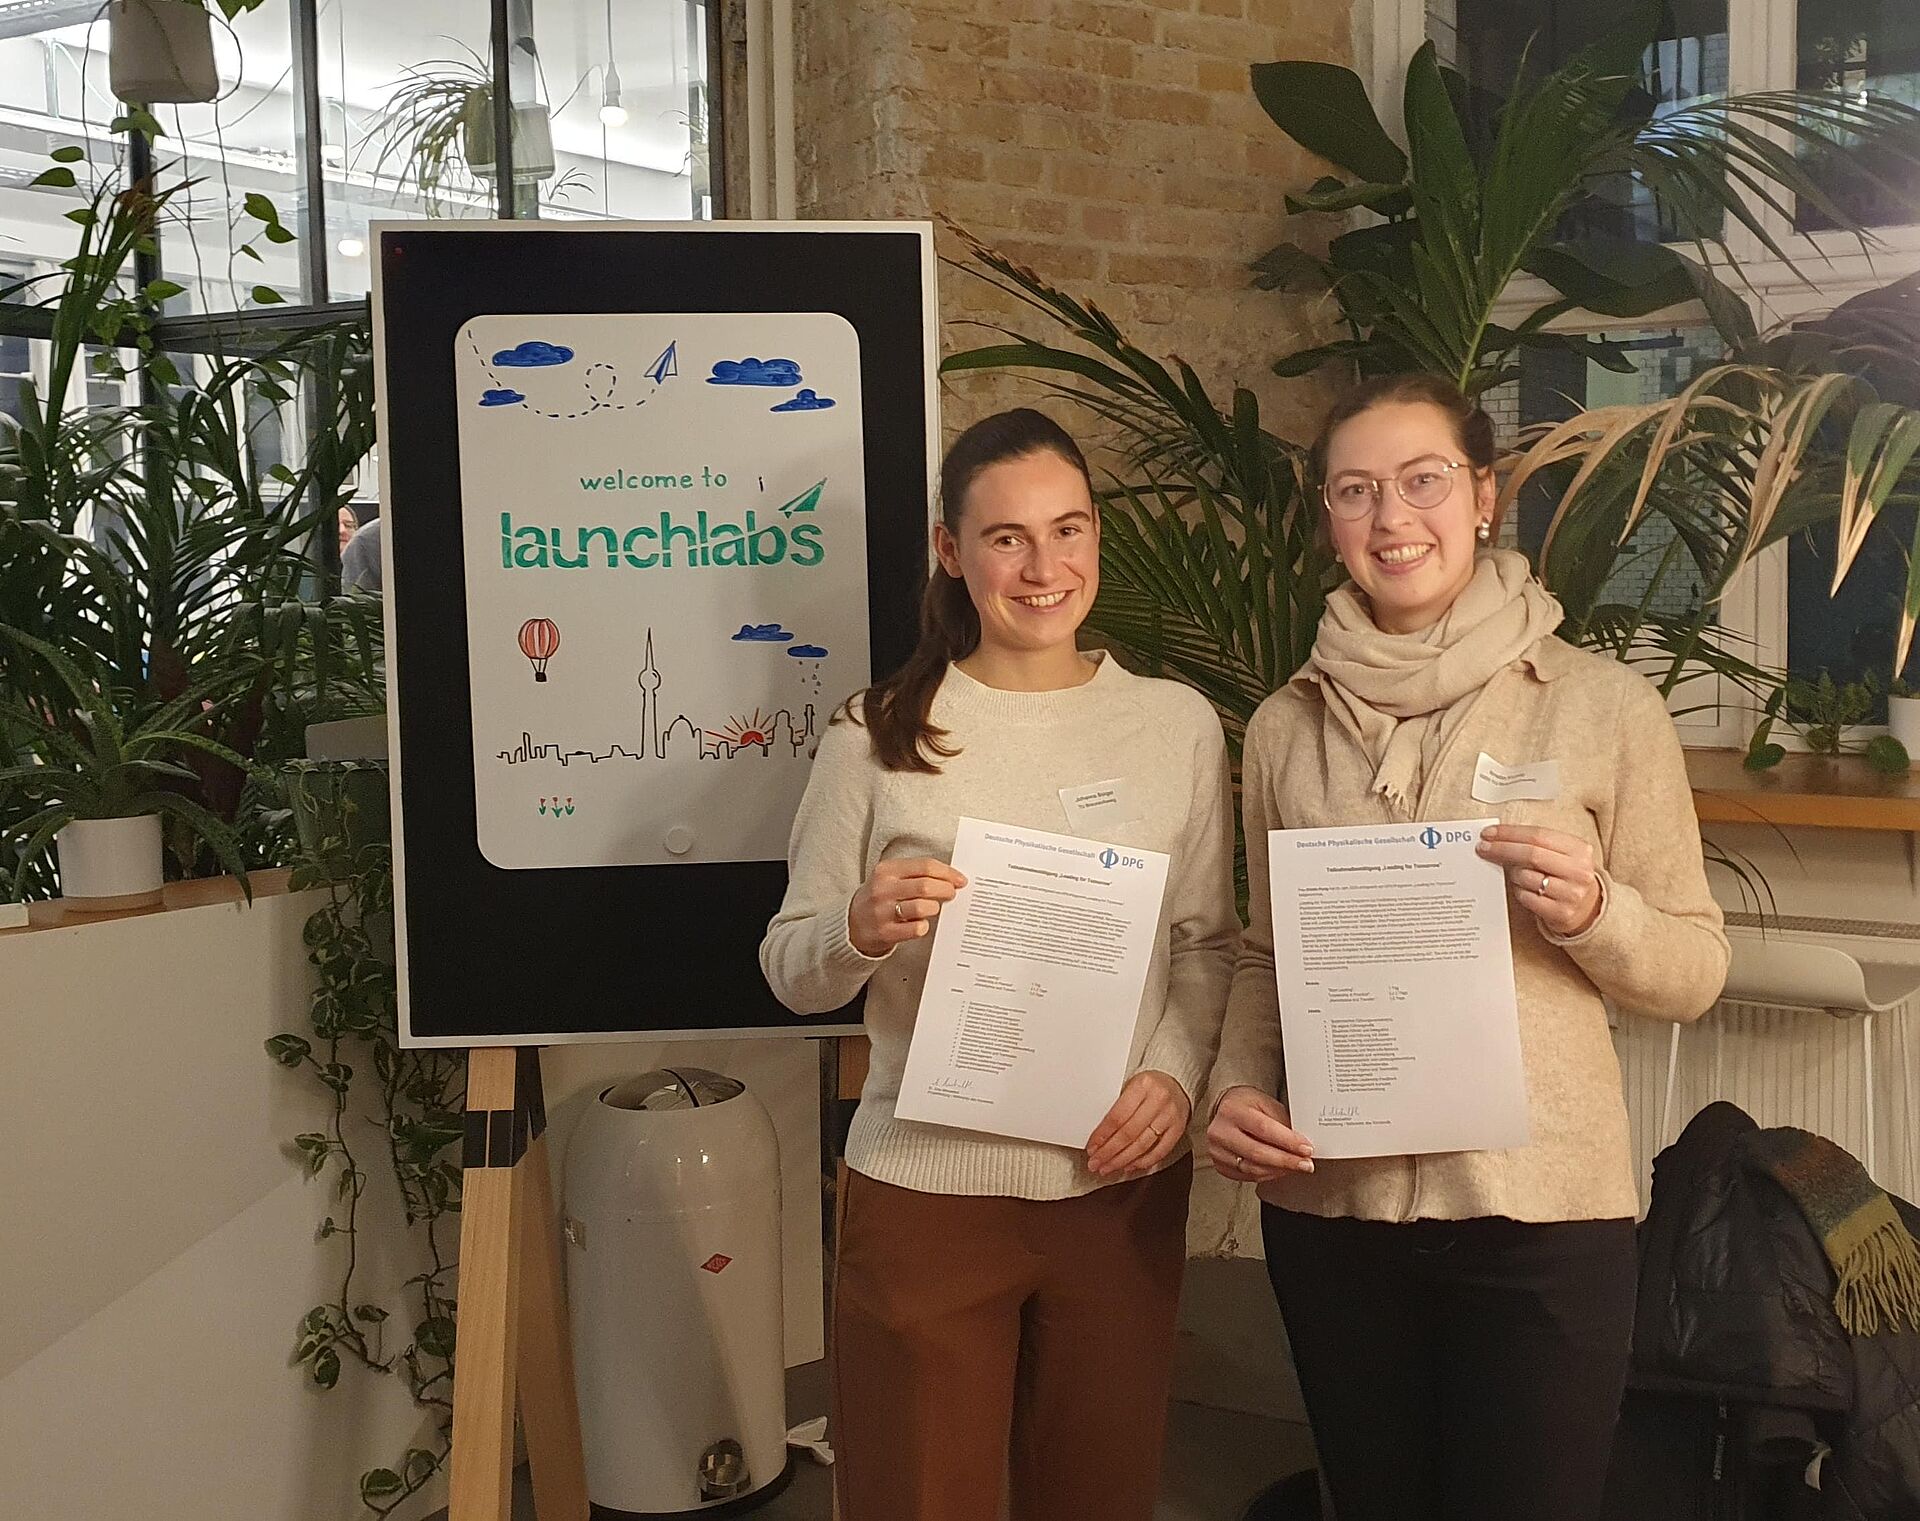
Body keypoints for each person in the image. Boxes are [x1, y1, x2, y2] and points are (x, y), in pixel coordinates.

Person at [1204, 372, 1730, 1521]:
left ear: (1484, 496)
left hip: (1540, 1219)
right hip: (1333, 1218)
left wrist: (1596, 912)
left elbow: (1694, 969)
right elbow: (1262, 955)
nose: (1392, 517)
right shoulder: (1286, 725)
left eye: (1423, 480)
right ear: (1329, 518)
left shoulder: (1600, 707)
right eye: (1356, 490)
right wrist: (1235, 1086)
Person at [760, 407, 1238, 1521]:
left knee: (1099, 1494)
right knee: (918, 1497)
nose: (1043, 567)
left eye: (1068, 530)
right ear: (951, 550)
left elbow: (1206, 943)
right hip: (927, 1189)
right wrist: (859, 927)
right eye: (1007, 538)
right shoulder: (877, 732)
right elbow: (789, 965)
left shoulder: (1175, 725)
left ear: (1097, 536)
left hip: (1114, 1183)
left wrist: (1172, 1077)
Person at [341, 513, 381, 592]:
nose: (342, 530)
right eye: (336, 525)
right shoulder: (364, 540)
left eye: (348, 525)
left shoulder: (365, 541)